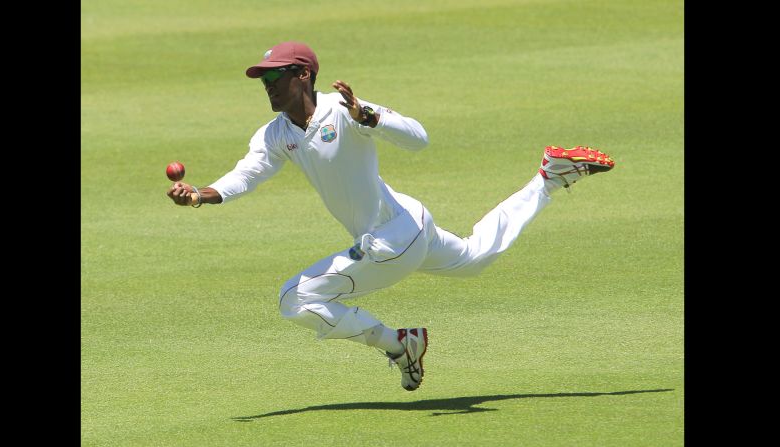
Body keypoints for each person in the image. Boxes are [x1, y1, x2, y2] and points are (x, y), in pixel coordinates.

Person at [166, 41, 615, 391]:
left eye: (275, 76)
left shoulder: (345, 111)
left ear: (303, 74)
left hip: (391, 238)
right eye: (263, 79)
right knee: (477, 256)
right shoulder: (275, 133)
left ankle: (400, 344)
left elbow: (419, 138)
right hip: (407, 226)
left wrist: (370, 117)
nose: (267, 84)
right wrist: (201, 196)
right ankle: (548, 179)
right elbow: (245, 175)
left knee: (294, 300)